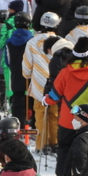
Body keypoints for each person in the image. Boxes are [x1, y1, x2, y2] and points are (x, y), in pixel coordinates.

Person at [44, 37, 88, 176]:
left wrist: (46, 100)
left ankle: (62, 175)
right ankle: (85, 175)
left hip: (67, 118)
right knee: (87, 149)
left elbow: (55, 95)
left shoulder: (65, 72)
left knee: (64, 147)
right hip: (87, 120)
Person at [24, 12, 60, 152]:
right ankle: (54, 142)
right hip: (57, 83)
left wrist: (29, 74)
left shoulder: (32, 42)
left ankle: (41, 144)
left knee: (40, 115)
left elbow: (26, 69)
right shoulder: (60, 41)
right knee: (55, 114)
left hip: (39, 85)